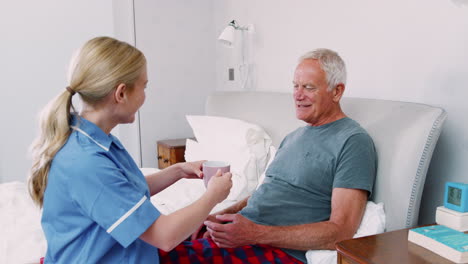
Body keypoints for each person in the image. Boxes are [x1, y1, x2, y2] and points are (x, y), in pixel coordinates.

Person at [159, 48, 377, 263]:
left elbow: (341, 232)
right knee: (148, 244)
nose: (298, 95)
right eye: (295, 86)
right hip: (242, 238)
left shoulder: (352, 142)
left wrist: (255, 233)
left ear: (337, 91)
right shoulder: (293, 137)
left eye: (309, 87)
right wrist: (221, 217)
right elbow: (265, 193)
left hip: (277, 252)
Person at [28, 36, 232, 263]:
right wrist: (214, 195)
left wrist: (178, 171)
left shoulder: (93, 139)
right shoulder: (87, 162)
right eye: (144, 87)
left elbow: (123, 193)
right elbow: (164, 236)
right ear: (121, 93)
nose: (145, 95)